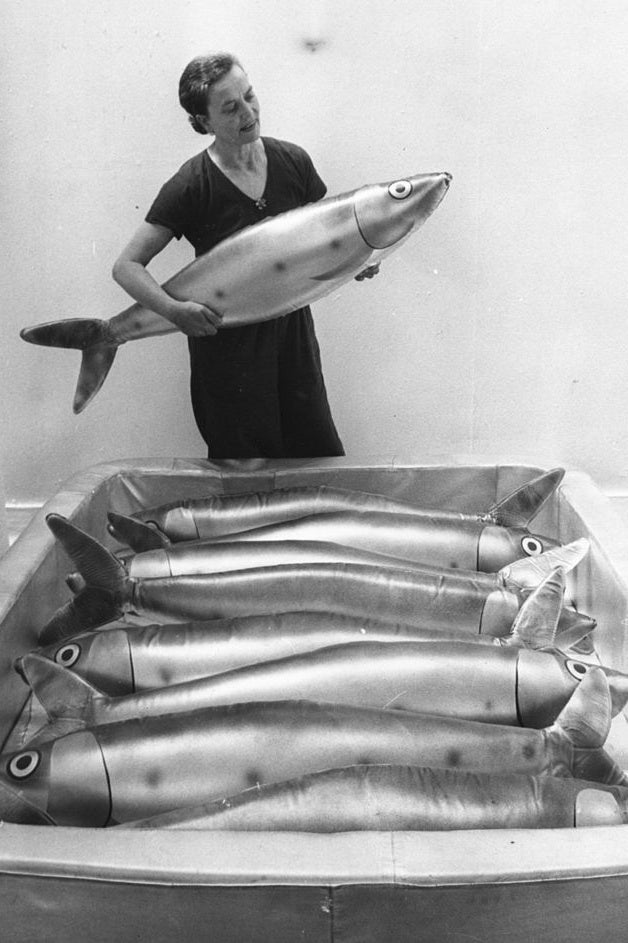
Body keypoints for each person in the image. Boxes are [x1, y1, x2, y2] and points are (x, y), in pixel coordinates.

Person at [113, 51, 377, 459]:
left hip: (294, 342)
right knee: (243, 473)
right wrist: (174, 311)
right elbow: (126, 267)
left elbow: (329, 243)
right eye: (230, 108)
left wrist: (358, 262)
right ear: (204, 122)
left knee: (316, 461)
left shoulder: (294, 161)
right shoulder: (190, 184)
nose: (248, 112)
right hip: (227, 352)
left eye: (250, 96)